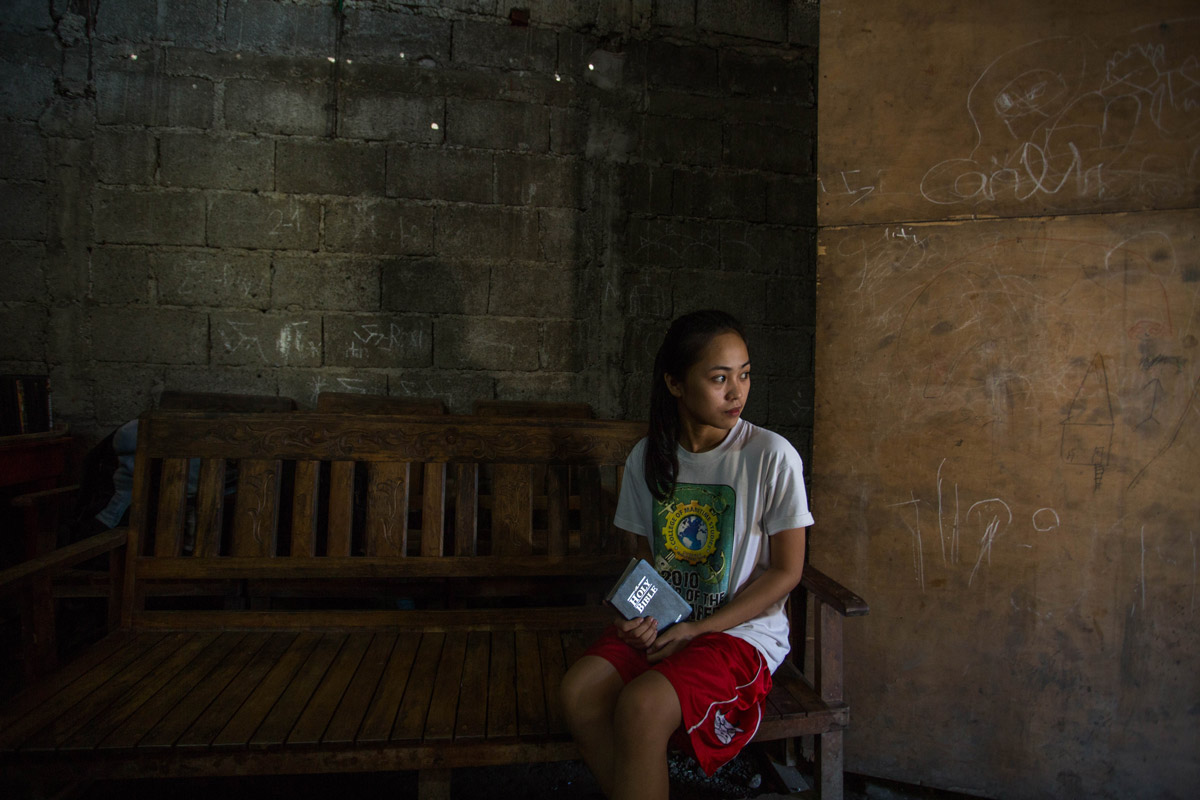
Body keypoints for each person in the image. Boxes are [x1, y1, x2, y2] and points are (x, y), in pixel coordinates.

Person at [559, 309, 813, 800]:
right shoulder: (648, 456)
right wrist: (638, 616)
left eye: (744, 375)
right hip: (669, 624)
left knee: (642, 706)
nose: (736, 392)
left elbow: (787, 572)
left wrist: (698, 629)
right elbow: (645, 565)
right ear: (675, 384)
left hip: (741, 635)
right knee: (579, 691)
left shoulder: (771, 455)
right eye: (719, 378)